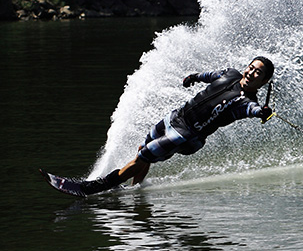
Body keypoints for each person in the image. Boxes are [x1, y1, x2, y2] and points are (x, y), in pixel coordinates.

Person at [79, 56, 275, 195]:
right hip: (175, 118)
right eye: (251, 67)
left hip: (188, 136)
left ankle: (101, 186)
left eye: (258, 73)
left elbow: (252, 111)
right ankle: (134, 191)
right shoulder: (230, 74)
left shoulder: (246, 102)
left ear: (264, 81)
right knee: (144, 149)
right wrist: (194, 77)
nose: (251, 72)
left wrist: (262, 113)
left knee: (144, 155)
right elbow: (209, 75)